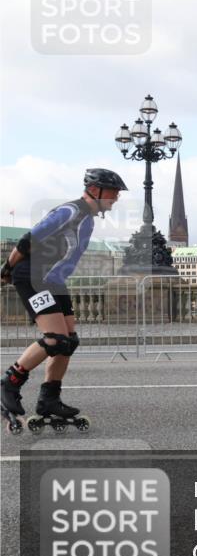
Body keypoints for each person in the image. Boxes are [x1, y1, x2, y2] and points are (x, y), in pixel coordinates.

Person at [0, 168, 128, 434]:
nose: (115, 198)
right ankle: (9, 383)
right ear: (95, 190)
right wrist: (7, 268)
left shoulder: (88, 220)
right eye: (113, 192)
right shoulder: (71, 211)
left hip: (53, 280)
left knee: (69, 341)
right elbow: (29, 239)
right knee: (55, 339)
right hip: (34, 276)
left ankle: (49, 399)